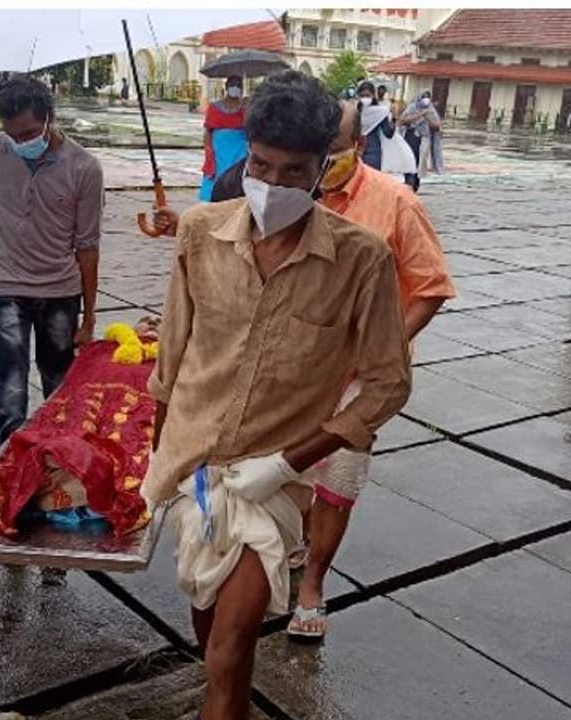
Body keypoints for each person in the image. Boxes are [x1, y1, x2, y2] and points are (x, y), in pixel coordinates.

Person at [142, 71, 411, 720]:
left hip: (275, 485)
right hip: (195, 469)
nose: (275, 183)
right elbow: (172, 357)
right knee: (209, 634)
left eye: (295, 171)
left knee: (232, 648)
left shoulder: (360, 259)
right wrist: (157, 463)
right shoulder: (201, 233)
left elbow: (387, 383)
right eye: (262, 165)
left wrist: (292, 462)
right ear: (247, 152)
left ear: (324, 169)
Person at [284, 98, 455, 639]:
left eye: (331, 151)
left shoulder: (395, 202)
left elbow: (430, 289)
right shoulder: (289, 195)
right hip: (296, 363)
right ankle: (296, 542)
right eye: (312, 154)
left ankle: (313, 583)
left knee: (338, 474)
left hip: (361, 376)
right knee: (292, 468)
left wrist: (382, 347)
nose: (319, 165)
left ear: (359, 146)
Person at [0, 76, 104, 446]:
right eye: (13, 135)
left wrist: (89, 316)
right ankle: (8, 479)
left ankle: (59, 472)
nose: (21, 143)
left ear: (50, 118)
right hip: (6, 288)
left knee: (60, 393)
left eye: (30, 133)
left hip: (60, 294)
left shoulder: (84, 168)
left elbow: (87, 247)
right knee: (9, 395)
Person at [199, 76, 247, 201]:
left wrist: (247, 109)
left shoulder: (245, 108)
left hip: (239, 149)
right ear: (226, 87)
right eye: (233, 85)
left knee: (237, 175)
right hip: (219, 149)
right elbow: (208, 131)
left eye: (238, 85)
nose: (235, 88)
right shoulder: (214, 107)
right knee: (217, 174)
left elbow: (250, 128)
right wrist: (209, 150)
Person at [397, 91, 443, 192]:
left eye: (428, 97)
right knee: (410, 160)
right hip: (411, 137)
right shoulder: (412, 107)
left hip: (424, 139)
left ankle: (415, 185)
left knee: (420, 163)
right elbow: (402, 120)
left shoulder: (431, 110)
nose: (426, 99)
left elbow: (437, 126)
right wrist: (420, 115)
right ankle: (409, 182)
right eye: (424, 97)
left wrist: (427, 117)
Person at [356, 81, 395, 170]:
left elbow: (388, 133)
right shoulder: (354, 111)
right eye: (362, 96)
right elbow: (389, 133)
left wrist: (393, 118)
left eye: (367, 95)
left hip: (370, 150)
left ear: (373, 95)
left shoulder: (380, 112)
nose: (365, 98)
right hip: (360, 151)